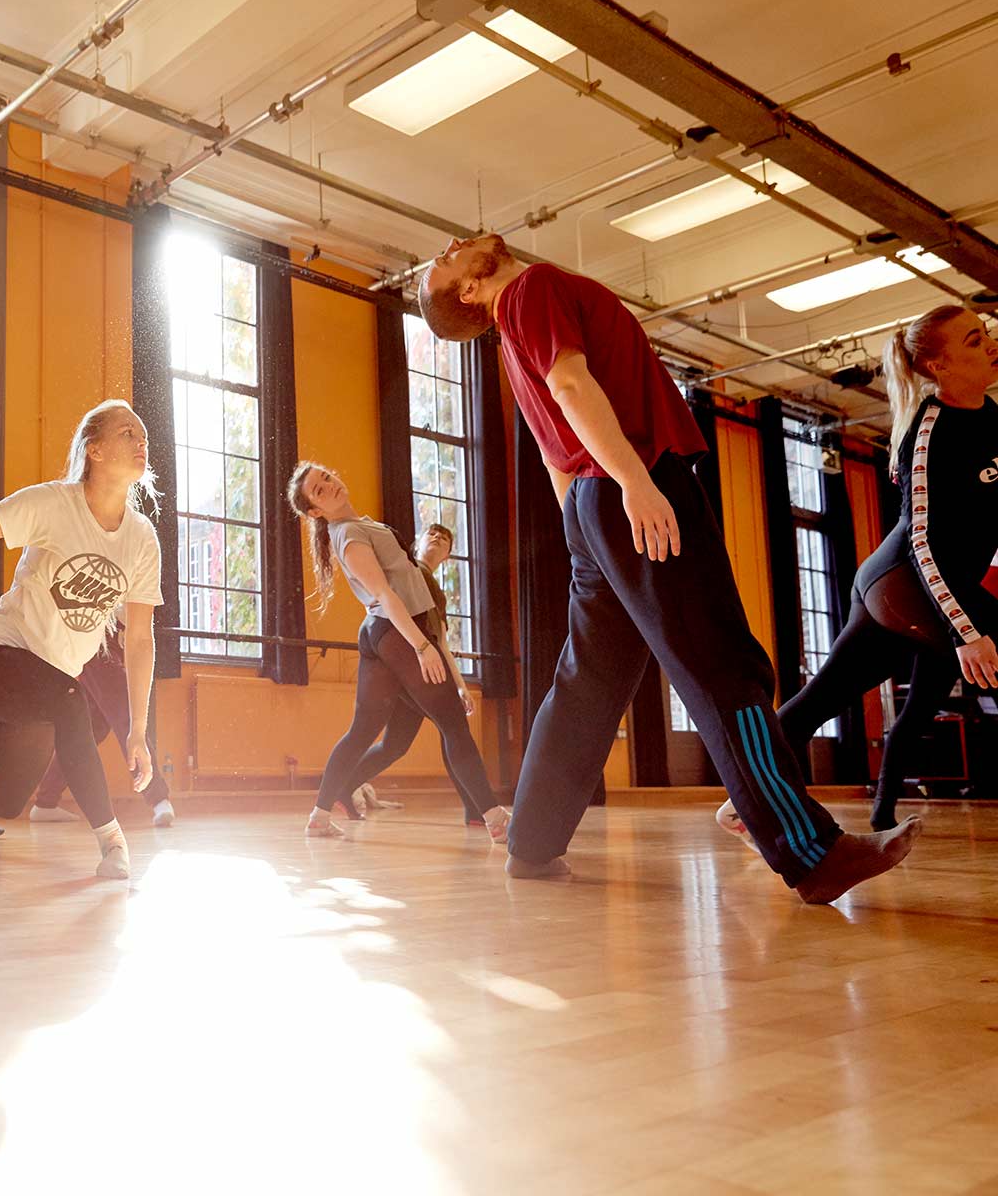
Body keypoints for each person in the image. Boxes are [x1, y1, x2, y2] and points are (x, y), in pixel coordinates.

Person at [420, 234, 921, 903]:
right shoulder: (530, 290)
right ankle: (812, 852)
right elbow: (571, 387)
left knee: (587, 687)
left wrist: (588, 529)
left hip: (594, 504)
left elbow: (554, 456)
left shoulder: (516, 339)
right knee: (721, 666)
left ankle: (531, 843)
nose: (451, 245)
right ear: (469, 292)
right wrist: (633, 484)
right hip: (632, 482)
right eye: (444, 262)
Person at [717, 305, 997, 842]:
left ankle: (739, 803)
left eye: (984, 333)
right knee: (828, 696)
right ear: (939, 366)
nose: (987, 344)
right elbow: (921, 543)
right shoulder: (929, 432)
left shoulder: (992, 416)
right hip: (902, 585)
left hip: (939, 589)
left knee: (824, 700)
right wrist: (966, 631)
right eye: (971, 339)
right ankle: (747, 795)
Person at [0, 400, 164, 879]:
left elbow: (139, 639)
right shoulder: (55, 504)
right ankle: (113, 843)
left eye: (142, 435)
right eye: (127, 433)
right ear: (93, 449)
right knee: (72, 699)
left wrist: (137, 730)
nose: (141, 442)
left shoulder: (142, 539)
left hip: (51, 679)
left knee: (9, 798)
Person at [287, 462, 509, 840]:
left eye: (327, 476)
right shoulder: (349, 535)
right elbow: (385, 596)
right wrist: (421, 646)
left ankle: (319, 818)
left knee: (364, 731)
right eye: (319, 491)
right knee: (453, 723)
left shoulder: (361, 526)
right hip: (396, 631)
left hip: (384, 633)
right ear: (315, 512)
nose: (330, 484)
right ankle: (496, 819)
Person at [342, 522, 475, 818]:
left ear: (448, 556)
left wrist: (459, 684)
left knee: (395, 745)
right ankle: (477, 810)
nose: (438, 538)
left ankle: (344, 785)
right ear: (416, 543)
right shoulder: (407, 571)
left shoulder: (436, 593)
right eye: (432, 533)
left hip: (420, 670)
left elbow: (440, 641)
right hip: (405, 667)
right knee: (451, 726)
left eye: (445, 538)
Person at [28, 615, 178, 827]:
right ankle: (158, 798)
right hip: (95, 640)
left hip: (109, 641)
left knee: (91, 729)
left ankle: (46, 801)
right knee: (125, 712)